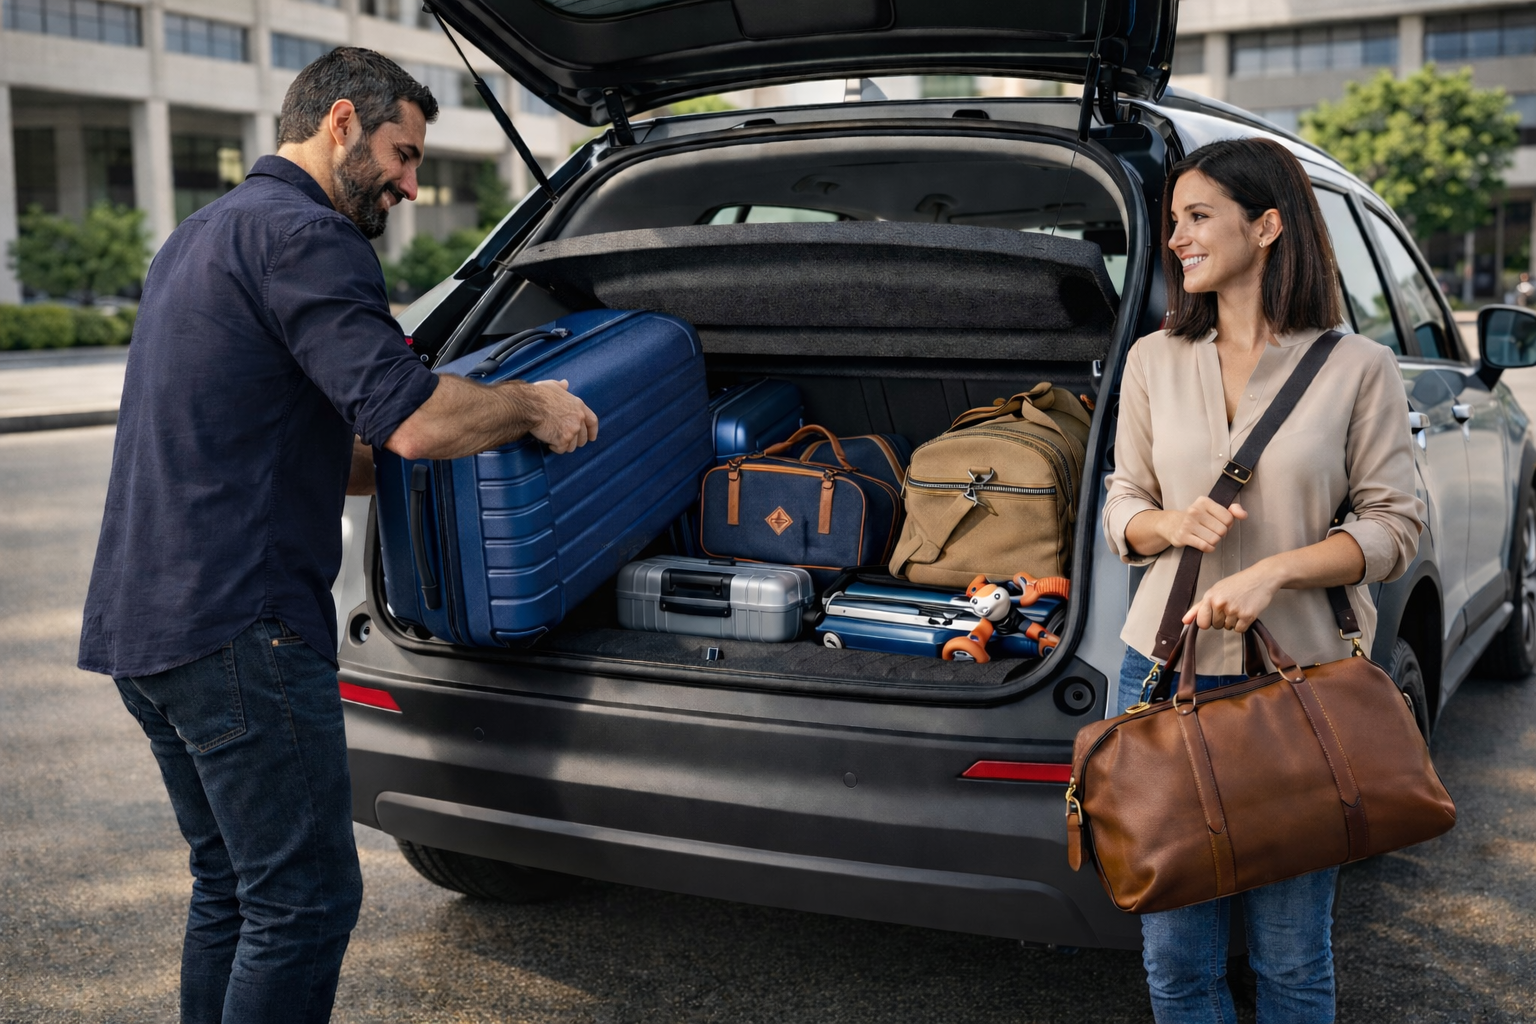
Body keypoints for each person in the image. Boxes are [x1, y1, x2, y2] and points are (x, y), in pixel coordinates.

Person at [78, 48, 597, 1024]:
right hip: (241, 627)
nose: (410, 184)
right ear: (343, 120)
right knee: (304, 903)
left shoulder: (199, 236)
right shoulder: (309, 236)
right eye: (405, 154)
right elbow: (415, 423)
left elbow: (340, 451)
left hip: (145, 626)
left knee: (234, 889)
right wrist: (529, 406)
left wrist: (448, 438)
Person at [1101, 137, 1425, 1023]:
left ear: (1268, 225)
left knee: (1290, 956)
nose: (1177, 238)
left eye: (1198, 217)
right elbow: (1122, 498)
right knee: (1176, 959)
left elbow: (1396, 526)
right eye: (1174, 221)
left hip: (1303, 685)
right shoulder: (1152, 360)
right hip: (1161, 673)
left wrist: (1278, 571)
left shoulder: (1357, 368)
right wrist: (1168, 524)